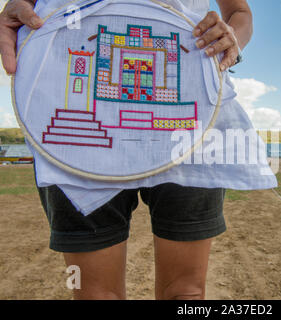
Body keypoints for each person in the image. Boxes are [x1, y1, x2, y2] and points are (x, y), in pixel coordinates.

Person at [0, 0, 257, 300]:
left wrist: (233, 38)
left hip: (187, 106)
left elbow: (239, 11)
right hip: (64, 90)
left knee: (186, 295)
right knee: (96, 296)